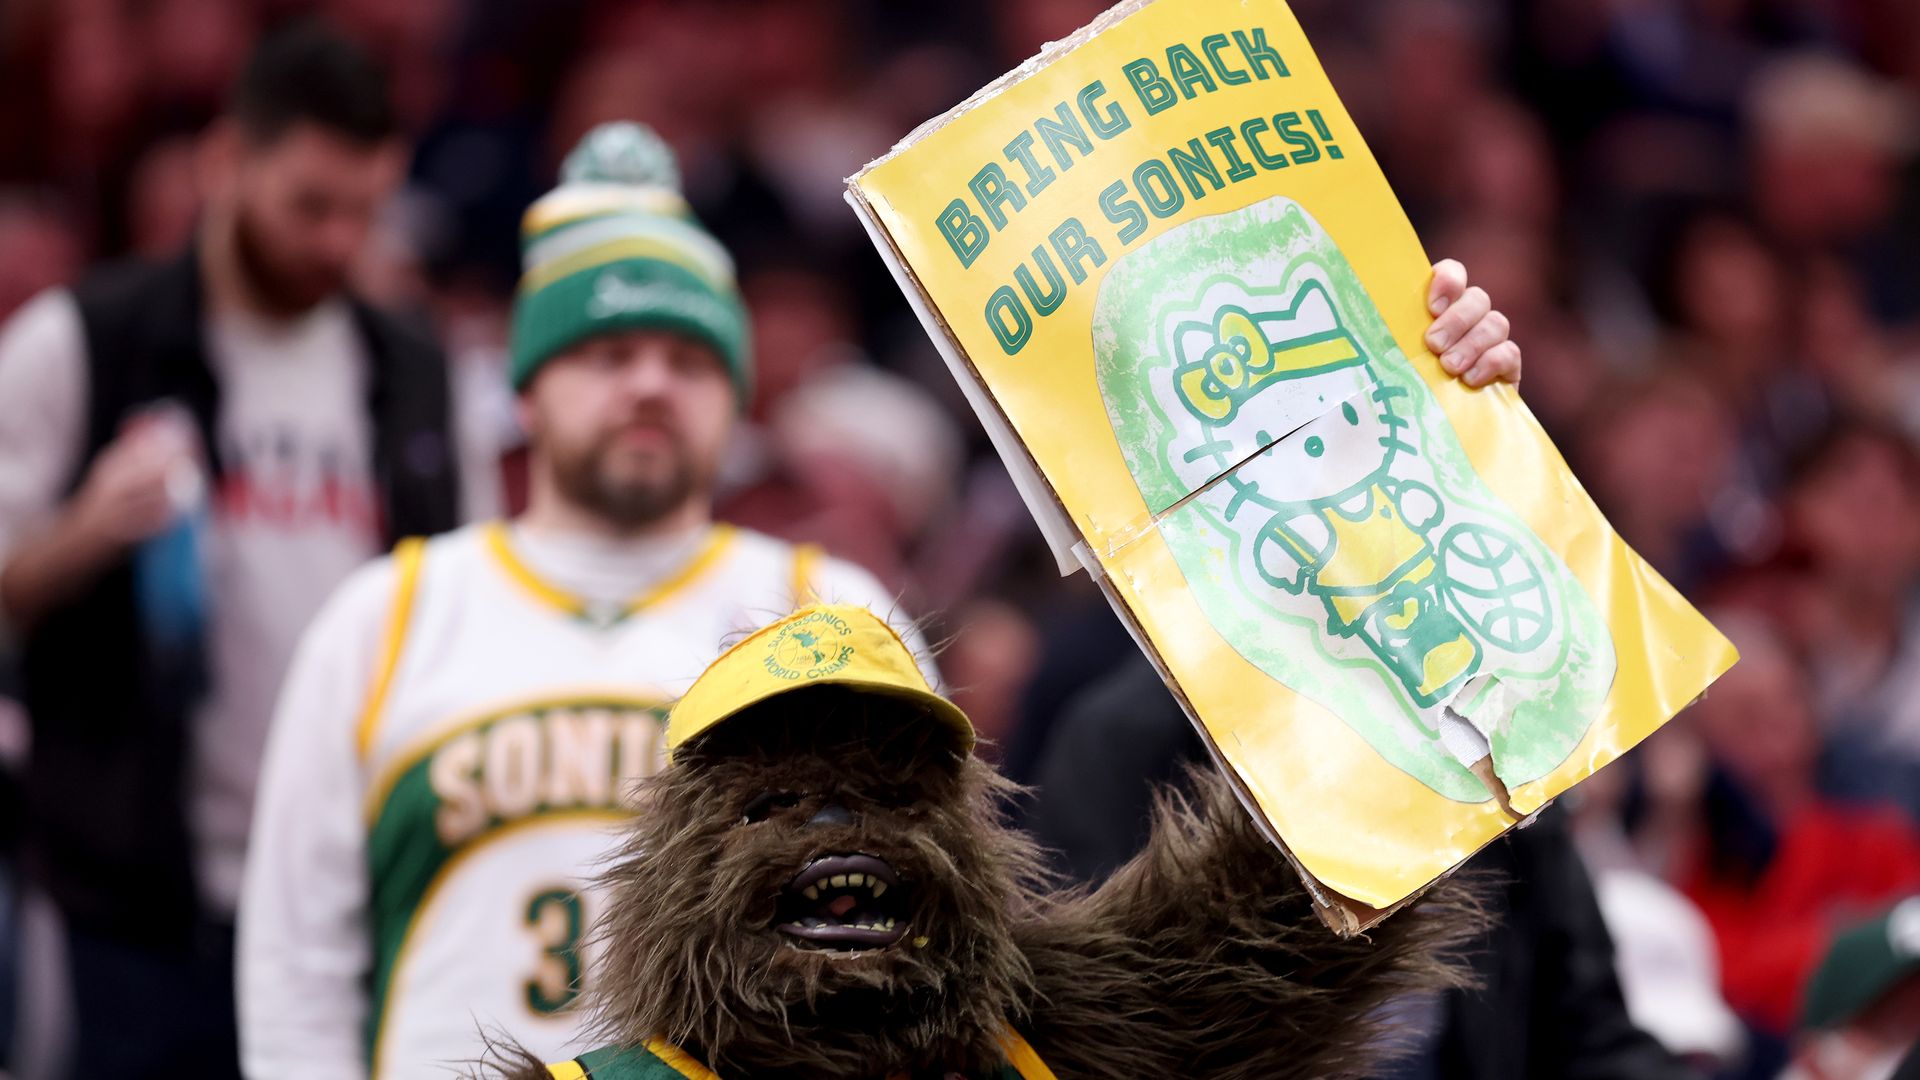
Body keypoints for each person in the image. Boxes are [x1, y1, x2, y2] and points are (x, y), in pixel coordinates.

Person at [237, 122, 927, 1080]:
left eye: (688, 361)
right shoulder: (387, 614)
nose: (649, 384)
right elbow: (297, 966)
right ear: (526, 390)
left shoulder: (828, 613)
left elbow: (922, 937)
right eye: (606, 353)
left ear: (734, 399)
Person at [0, 23, 459, 1078]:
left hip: (347, 888)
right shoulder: (82, 342)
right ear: (224, 164)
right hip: (137, 897)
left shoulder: (412, 373)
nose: (339, 242)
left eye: (364, 211)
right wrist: (88, 529)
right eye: (310, 206)